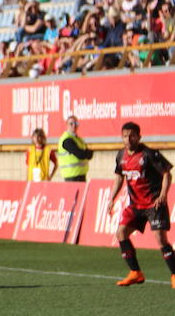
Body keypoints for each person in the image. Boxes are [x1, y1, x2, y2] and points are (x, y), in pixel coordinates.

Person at [104, 121, 175, 288]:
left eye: (132, 135)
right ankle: (135, 272)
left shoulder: (149, 154)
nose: (128, 139)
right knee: (121, 233)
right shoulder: (121, 155)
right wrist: (111, 199)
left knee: (160, 238)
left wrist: (163, 195)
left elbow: (167, 174)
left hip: (153, 204)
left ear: (139, 136)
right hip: (135, 205)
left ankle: (174, 274)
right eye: (125, 136)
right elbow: (119, 178)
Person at [57, 116, 93, 181]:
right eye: (71, 123)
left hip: (81, 174)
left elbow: (89, 154)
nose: (74, 125)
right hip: (71, 176)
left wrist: (86, 153)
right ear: (67, 125)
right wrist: (85, 153)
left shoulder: (79, 139)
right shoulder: (66, 139)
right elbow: (80, 154)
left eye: (76, 123)